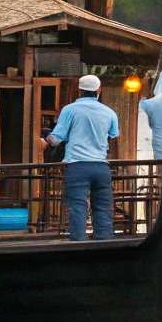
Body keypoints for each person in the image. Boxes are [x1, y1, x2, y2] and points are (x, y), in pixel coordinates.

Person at [42, 74, 119, 241]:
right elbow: (113, 134)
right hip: (101, 167)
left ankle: (79, 241)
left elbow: (55, 140)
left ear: (79, 90)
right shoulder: (109, 112)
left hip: (77, 166)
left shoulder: (69, 110)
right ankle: (104, 240)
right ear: (98, 90)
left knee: (77, 206)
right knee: (103, 206)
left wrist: (44, 140)